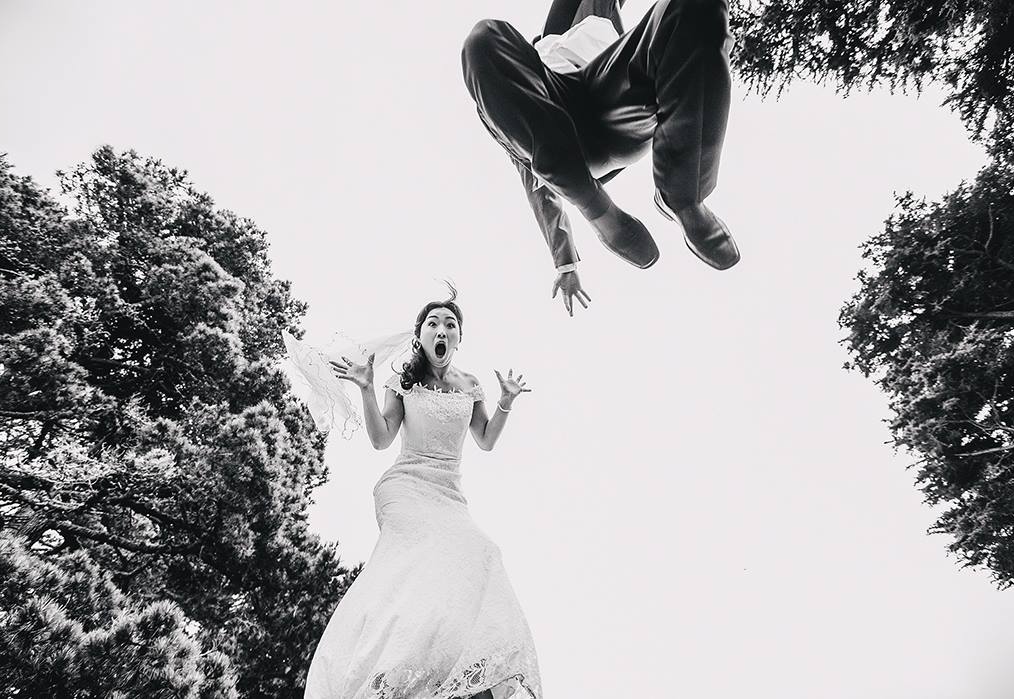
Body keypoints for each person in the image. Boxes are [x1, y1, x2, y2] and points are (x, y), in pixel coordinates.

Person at [291, 289, 541, 699]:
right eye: (433, 324)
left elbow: (486, 440)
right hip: (405, 486)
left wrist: (506, 403)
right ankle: (388, 658)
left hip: (449, 494)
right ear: (420, 335)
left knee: (482, 552)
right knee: (418, 570)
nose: (442, 329)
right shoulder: (402, 381)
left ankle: (458, 666)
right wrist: (366, 388)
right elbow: (380, 439)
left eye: (450, 325)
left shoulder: (471, 384)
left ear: (459, 338)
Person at [462, 0, 739, 316]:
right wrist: (564, 258)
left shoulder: (599, 24)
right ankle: (601, 213)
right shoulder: (533, 58)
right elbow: (532, 175)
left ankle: (683, 196)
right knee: (482, 37)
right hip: (557, 119)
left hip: (611, 98)